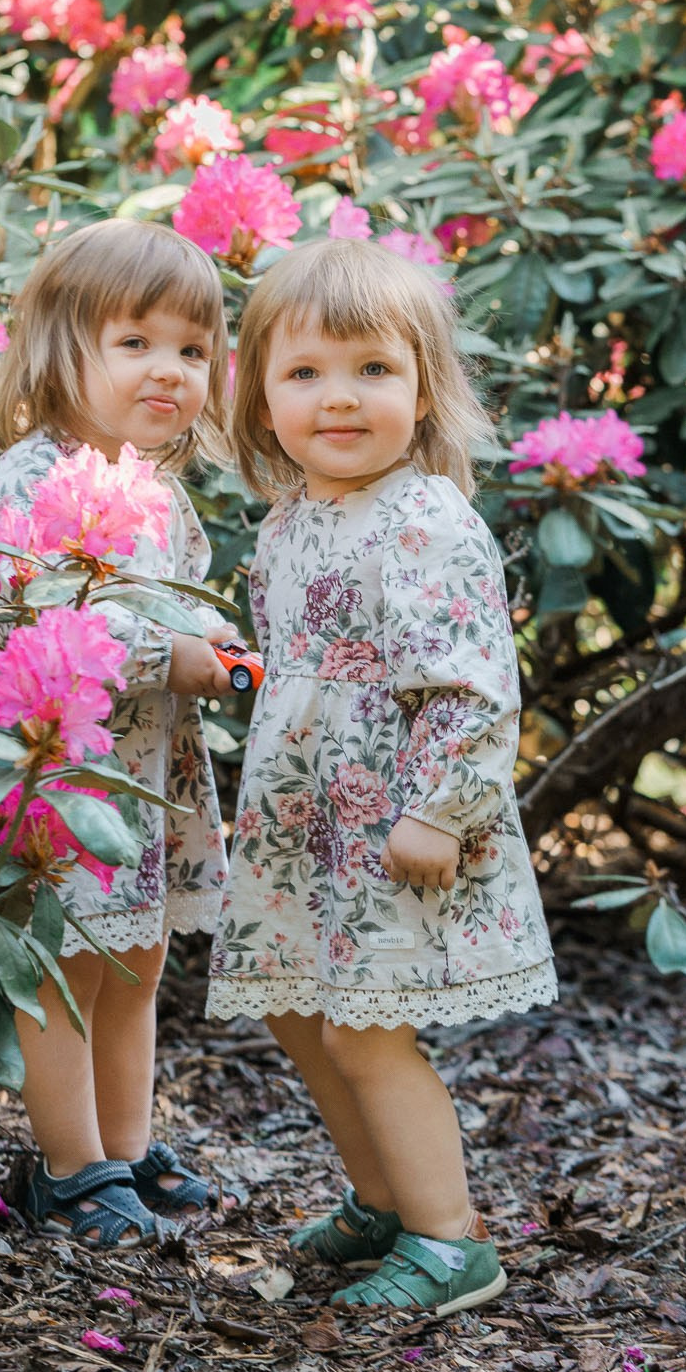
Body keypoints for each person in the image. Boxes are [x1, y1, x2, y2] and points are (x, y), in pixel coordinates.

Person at [206, 238, 557, 1315]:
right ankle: (382, 1198)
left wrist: (439, 811)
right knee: (303, 1014)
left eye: (372, 369)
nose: (339, 397)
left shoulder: (424, 520)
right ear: (262, 398)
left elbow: (470, 685)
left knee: (365, 1027)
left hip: (393, 822)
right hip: (305, 827)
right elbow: (300, 663)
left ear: (424, 388)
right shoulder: (290, 522)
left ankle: (450, 1240)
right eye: (305, 372)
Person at [0, 219, 234, 1248]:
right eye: (136, 342)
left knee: (136, 962)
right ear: (59, 351)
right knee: (66, 967)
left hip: (142, 778)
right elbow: (38, 612)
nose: (170, 370)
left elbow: (174, 599)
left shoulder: (159, 491)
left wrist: (212, 639)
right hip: (62, 779)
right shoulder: (31, 475)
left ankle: (127, 1148)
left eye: (192, 349)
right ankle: (68, 1170)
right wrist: (172, 653)